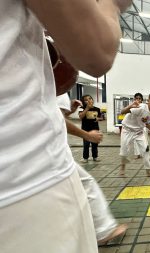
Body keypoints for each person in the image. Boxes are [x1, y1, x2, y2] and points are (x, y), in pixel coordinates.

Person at [0, 0, 132, 252]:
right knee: (87, 181)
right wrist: (113, 4)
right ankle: (104, 227)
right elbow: (96, 52)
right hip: (26, 178)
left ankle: (104, 227)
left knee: (87, 180)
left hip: (17, 176)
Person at [57, 93, 128, 245]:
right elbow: (56, 119)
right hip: (52, 153)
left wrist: (69, 111)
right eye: (87, 99)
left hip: (54, 152)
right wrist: (87, 135)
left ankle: (101, 229)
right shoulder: (46, 81)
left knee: (84, 183)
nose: (89, 101)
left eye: (90, 99)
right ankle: (103, 230)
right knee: (87, 183)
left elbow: (59, 115)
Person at [119, 93, 150, 177]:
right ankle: (123, 166)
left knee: (146, 150)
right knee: (124, 152)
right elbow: (122, 112)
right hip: (127, 130)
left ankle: (149, 171)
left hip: (139, 132)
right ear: (148, 101)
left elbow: (145, 123)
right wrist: (130, 106)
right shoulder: (141, 107)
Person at [79, 95, 103, 162]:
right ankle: (85, 158)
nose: (89, 100)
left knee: (95, 144)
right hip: (85, 129)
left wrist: (99, 119)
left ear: (92, 100)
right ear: (84, 102)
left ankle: (95, 157)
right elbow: (80, 117)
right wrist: (87, 108)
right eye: (86, 100)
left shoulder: (97, 109)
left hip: (95, 128)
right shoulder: (82, 108)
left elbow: (101, 117)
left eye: (90, 98)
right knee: (86, 144)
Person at [131, 93, 144, 159]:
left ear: (142, 100)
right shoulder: (132, 106)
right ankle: (137, 154)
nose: (138, 100)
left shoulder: (143, 106)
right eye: (137, 98)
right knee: (135, 141)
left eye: (139, 98)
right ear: (134, 99)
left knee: (143, 140)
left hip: (142, 126)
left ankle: (143, 153)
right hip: (134, 127)